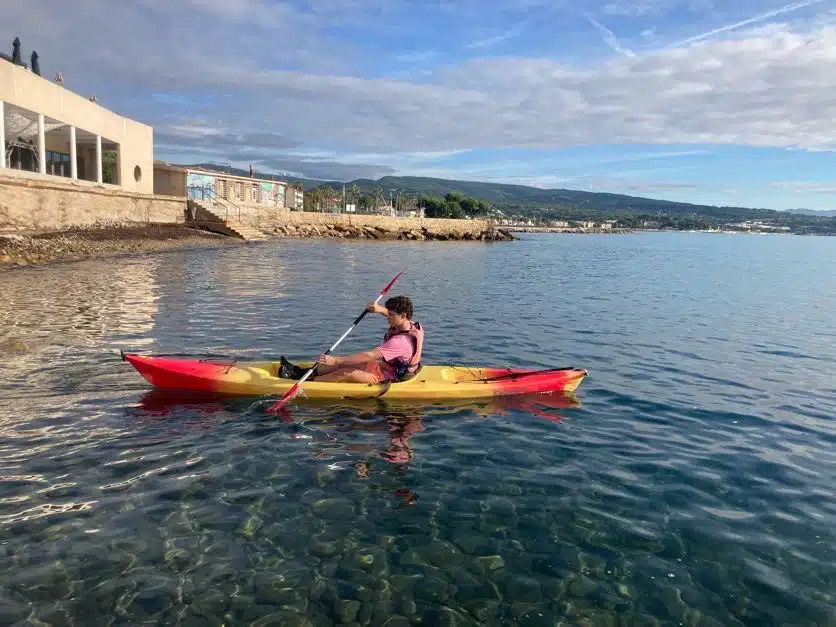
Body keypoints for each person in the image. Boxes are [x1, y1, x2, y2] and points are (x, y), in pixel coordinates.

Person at [279, 295, 423, 384]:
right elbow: (394, 316)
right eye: (388, 313)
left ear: (403, 315)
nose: (388, 317)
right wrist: (379, 309)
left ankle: (306, 382)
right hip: (386, 368)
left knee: (347, 372)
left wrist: (336, 360)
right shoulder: (409, 325)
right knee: (347, 363)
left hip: (392, 377)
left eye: (391, 315)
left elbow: (369, 355)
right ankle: (298, 371)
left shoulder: (400, 342)